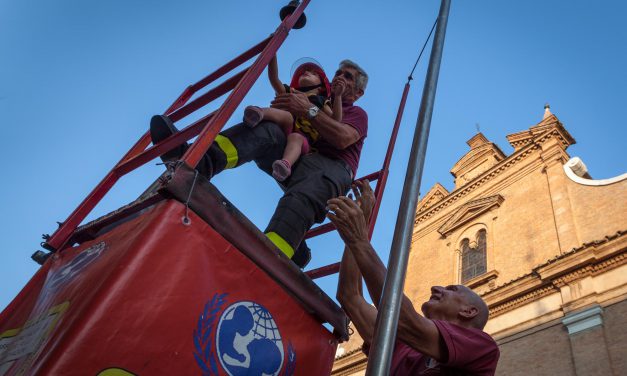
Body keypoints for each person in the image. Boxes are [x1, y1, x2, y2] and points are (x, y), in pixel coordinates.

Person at [149, 60, 369, 268]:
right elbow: (279, 88)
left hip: (331, 167)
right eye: (338, 73)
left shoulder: (356, 114)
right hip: (298, 157)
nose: (339, 77)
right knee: (269, 131)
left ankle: (275, 252)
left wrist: (307, 110)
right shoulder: (318, 99)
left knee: (307, 191)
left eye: (347, 76)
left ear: (358, 92)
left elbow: (342, 138)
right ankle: (200, 161)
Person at [328, 180, 500, 375]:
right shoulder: (401, 342)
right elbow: (350, 297)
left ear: (469, 311)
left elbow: (404, 321)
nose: (436, 287)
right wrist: (359, 229)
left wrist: (359, 239)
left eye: (451, 289)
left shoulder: (482, 347)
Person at [242, 55, 344, 181]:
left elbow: (336, 120)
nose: (306, 72)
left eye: (313, 74)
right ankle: (258, 114)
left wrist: (338, 96)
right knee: (287, 116)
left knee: (296, 138)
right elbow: (274, 79)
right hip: (286, 128)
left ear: (321, 87)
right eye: (303, 73)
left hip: (304, 140)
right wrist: (272, 55)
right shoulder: (292, 92)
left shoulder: (320, 101)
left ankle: (285, 164)